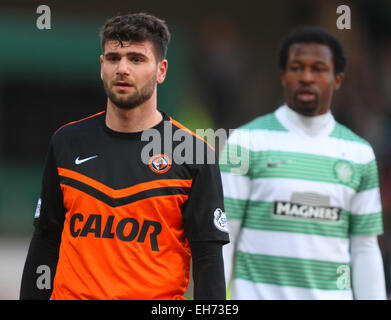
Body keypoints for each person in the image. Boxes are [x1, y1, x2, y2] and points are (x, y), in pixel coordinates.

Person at [20, 13, 229, 300]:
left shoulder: (193, 152)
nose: (122, 68)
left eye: (136, 59)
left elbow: (208, 260)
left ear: (161, 70)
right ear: (101, 66)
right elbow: (46, 240)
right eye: (113, 57)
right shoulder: (66, 141)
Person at [220, 26, 386, 299]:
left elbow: (365, 247)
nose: (306, 77)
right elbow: (224, 236)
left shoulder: (359, 153)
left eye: (318, 69)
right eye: (297, 68)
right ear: (283, 76)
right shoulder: (245, 143)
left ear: (337, 79)